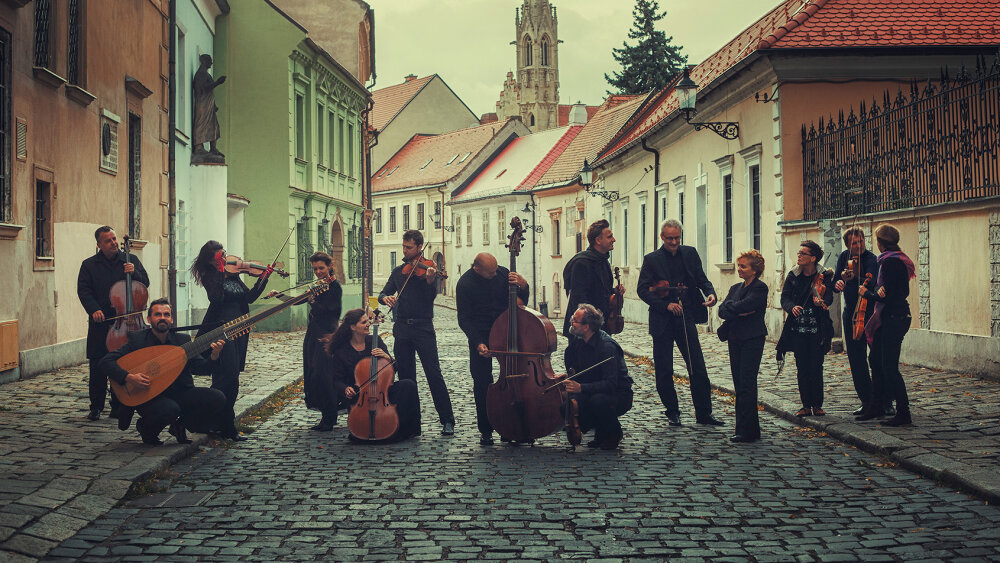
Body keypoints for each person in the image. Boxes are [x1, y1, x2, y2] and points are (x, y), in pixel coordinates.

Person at [99, 298, 240, 444]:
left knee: (217, 398)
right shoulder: (138, 340)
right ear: (149, 319)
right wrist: (128, 377)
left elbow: (201, 368)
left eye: (166, 315)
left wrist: (214, 355)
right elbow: (106, 362)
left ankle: (181, 425)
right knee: (170, 409)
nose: (162, 318)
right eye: (158, 314)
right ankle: (147, 429)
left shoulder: (182, 341)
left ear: (171, 319)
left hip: (179, 392)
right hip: (149, 396)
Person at [636, 219, 722, 426]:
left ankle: (704, 413)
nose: (674, 242)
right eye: (670, 238)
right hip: (662, 320)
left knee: (697, 366)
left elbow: (702, 278)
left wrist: (711, 294)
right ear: (662, 237)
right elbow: (642, 290)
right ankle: (672, 411)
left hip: (686, 316)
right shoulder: (652, 259)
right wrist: (665, 305)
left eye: (677, 238)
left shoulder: (690, 253)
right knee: (664, 369)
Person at [378, 230, 456, 435]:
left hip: (423, 327)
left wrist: (431, 281)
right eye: (403, 247)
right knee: (406, 377)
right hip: (402, 328)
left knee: (433, 373)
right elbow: (383, 292)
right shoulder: (398, 271)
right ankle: (410, 423)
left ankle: (447, 420)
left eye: (409, 247)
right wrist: (386, 298)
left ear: (419, 247)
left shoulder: (429, 270)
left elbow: (430, 297)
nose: (405, 251)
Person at [190, 240, 272, 420]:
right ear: (211, 259)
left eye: (224, 253)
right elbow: (216, 298)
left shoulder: (234, 275)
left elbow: (249, 297)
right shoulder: (209, 275)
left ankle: (222, 421)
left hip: (240, 329)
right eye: (220, 256)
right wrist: (220, 271)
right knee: (226, 377)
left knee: (232, 377)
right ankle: (211, 418)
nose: (225, 258)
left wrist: (263, 278)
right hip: (222, 330)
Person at [77, 226, 150, 422]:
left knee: (125, 364)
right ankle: (96, 406)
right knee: (98, 365)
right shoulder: (89, 265)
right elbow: (83, 290)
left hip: (129, 323)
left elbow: (145, 284)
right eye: (108, 241)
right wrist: (94, 310)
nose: (114, 243)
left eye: (115, 239)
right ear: (99, 244)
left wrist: (135, 273)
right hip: (102, 323)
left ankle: (119, 405)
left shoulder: (130, 260)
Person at [455, 252, 529, 445]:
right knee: (482, 383)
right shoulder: (465, 284)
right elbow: (464, 319)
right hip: (482, 335)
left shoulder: (502, 274)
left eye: (496, 270)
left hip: (507, 331)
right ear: (477, 269)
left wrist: (524, 285)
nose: (496, 275)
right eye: (491, 273)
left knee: (515, 378)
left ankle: (512, 426)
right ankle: (486, 430)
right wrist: (478, 342)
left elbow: (522, 302)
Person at [266, 252, 342, 431]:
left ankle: (330, 417)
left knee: (324, 375)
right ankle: (326, 416)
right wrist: (279, 295)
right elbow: (296, 301)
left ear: (329, 267)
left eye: (321, 268)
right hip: (313, 332)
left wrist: (313, 301)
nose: (318, 272)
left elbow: (333, 311)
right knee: (314, 373)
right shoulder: (317, 286)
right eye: (315, 268)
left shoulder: (334, 286)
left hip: (327, 334)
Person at [326, 308, 420, 442]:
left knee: (408, 385)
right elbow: (336, 380)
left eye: (368, 321)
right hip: (359, 396)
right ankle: (362, 428)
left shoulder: (375, 341)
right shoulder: (342, 351)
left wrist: (388, 358)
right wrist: (345, 389)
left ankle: (405, 431)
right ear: (353, 327)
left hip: (382, 390)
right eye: (364, 322)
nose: (368, 324)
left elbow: (393, 370)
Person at [857, 224, 915, 426]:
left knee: (889, 366)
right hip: (889, 316)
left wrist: (868, 294)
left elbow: (892, 295)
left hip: (894, 317)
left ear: (882, 243)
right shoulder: (890, 260)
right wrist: (878, 292)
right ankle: (876, 406)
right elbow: (887, 291)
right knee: (875, 360)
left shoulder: (891, 263)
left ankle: (903, 413)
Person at [556, 304, 633, 450]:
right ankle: (601, 433)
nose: (571, 322)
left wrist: (581, 387)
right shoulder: (579, 344)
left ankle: (614, 433)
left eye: (575, 320)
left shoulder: (606, 347)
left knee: (598, 401)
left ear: (586, 327)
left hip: (618, 394)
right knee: (566, 407)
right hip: (594, 391)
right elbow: (584, 373)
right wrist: (569, 376)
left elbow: (611, 384)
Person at [778, 240, 834, 417]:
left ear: (813, 258)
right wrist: (791, 307)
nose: (799, 256)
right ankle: (805, 405)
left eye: (803, 253)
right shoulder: (793, 276)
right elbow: (784, 297)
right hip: (798, 329)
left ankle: (817, 405)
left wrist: (822, 301)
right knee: (802, 367)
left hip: (818, 329)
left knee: (816, 366)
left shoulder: (824, 276)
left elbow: (830, 297)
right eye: (799, 253)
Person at [718, 250, 769, 443]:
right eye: (739, 266)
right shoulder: (735, 288)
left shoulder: (760, 288)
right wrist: (736, 309)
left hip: (752, 338)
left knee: (747, 382)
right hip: (735, 338)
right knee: (739, 383)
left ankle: (748, 431)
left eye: (743, 266)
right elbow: (723, 310)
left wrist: (736, 309)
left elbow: (747, 306)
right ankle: (744, 428)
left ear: (754, 270)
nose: (739, 269)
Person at [832, 227, 881, 416]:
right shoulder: (844, 257)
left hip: (870, 313)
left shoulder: (872, 259)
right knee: (855, 358)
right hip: (851, 314)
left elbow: (872, 282)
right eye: (854, 243)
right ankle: (866, 400)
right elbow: (836, 283)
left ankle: (883, 401)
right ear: (847, 245)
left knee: (876, 358)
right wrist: (839, 282)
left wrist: (856, 278)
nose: (859, 245)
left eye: (860, 241)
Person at [562, 219, 623, 337]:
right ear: (598, 240)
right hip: (584, 330)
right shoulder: (582, 263)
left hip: (600, 327)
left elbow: (602, 291)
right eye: (609, 237)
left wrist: (614, 292)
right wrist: (591, 327)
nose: (613, 240)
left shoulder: (603, 261)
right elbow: (579, 300)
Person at [192, 54, 226, 159]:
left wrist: (214, 105)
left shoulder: (206, 74)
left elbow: (210, 91)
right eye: (210, 60)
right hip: (202, 103)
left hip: (209, 104)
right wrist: (217, 83)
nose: (211, 62)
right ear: (204, 61)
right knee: (201, 123)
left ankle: (213, 148)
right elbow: (203, 89)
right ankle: (198, 147)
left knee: (214, 125)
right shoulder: (201, 74)